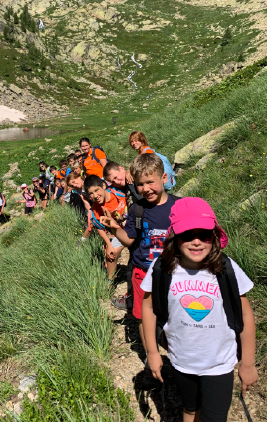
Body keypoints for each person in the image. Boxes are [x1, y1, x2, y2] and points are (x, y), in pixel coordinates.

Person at [141, 197, 257, 421]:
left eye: (204, 235)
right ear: (175, 237)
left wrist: (248, 363)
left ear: (214, 236)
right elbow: (148, 307)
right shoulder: (162, 269)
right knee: (190, 408)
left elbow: (245, 314)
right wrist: (152, 352)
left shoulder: (226, 269)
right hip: (181, 359)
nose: (196, 242)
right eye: (187, 235)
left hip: (219, 363)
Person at [99, 154, 179, 388]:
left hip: (173, 273)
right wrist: (114, 227)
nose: (146, 188)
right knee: (145, 318)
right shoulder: (137, 209)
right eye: (140, 184)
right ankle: (150, 359)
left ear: (164, 178)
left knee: (173, 315)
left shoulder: (179, 206)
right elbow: (130, 240)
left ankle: (178, 355)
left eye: (150, 181)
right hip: (143, 273)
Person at [84, 174, 128, 282]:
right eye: (91, 193)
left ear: (103, 186)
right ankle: (110, 282)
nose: (95, 195)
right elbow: (99, 228)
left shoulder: (117, 194)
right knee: (111, 254)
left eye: (96, 190)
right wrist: (109, 245)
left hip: (132, 224)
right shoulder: (96, 208)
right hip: (120, 231)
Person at [66, 172, 91, 243]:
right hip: (93, 204)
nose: (74, 185)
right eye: (72, 185)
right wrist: (90, 211)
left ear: (79, 176)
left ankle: (81, 242)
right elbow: (85, 201)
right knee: (92, 222)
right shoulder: (78, 189)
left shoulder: (88, 183)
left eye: (74, 181)